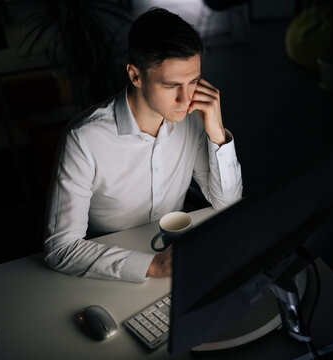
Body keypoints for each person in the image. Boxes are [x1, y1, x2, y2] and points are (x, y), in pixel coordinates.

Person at [43, 7, 243, 283]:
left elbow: (228, 203)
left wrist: (217, 133)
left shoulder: (192, 118)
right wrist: (154, 266)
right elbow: (61, 249)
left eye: (194, 81)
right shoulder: (84, 139)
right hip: (109, 267)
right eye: (171, 85)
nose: (186, 99)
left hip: (176, 256)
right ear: (135, 76)